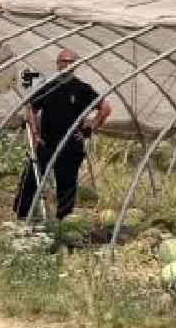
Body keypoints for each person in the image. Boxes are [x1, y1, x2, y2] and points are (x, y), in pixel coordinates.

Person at [13, 48, 111, 222]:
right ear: (57, 64)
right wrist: (35, 133)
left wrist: (89, 129)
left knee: (66, 184)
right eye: (62, 61)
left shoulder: (82, 89)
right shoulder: (48, 87)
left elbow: (105, 109)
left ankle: (63, 221)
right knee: (31, 178)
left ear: (76, 65)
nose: (66, 64)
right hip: (46, 142)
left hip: (70, 145)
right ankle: (21, 216)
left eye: (70, 61)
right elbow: (31, 108)